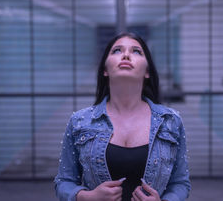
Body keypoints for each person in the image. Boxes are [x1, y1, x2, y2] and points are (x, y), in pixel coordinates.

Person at [54, 32, 191, 201]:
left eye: (136, 51)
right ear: (105, 70)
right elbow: (64, 182)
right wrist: (87, 197)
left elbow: (180, 183)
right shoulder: (80, 121)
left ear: (147, 71)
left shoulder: (170, 121)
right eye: (117, 51)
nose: (126, 55)